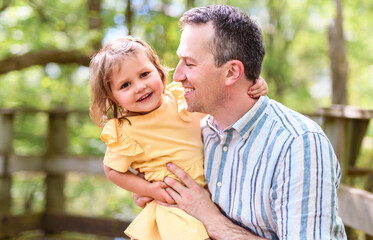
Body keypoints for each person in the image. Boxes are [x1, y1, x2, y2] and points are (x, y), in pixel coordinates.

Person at [134, 4, 347, 240]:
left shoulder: (297, 144)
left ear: (231, 73)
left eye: (190, 63)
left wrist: (212, 220)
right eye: (180, 60)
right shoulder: (198, 129)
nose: (177, 75)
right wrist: (157, 191)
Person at [89, 36, 268, 240]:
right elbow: (112, 170)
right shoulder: (126, 130)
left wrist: (254, 85)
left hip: (215, 193)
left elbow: (222, 94)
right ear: (112, 97)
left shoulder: (181, 97)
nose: (139, 86)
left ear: (158, 70)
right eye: (125, 85)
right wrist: (149, 189)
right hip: (174, 203)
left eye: (145, 74)